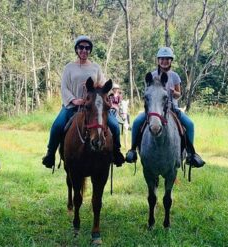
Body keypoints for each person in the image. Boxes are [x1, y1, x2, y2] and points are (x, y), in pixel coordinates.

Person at [42, 35, 124, 168]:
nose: (84, 50)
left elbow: (102, 85)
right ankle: (50, 154)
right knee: (57, 126)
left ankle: (116, 153)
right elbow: (64, 87)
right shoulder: (69, 67)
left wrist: (104, 97)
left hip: (93, 107)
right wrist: (74, 100)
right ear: (76, 49)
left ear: (90, 50)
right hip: (72, 107)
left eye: (87, 48)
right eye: (81, 47)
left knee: (114, 125)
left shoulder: (95, 67)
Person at [125, 47, 205, 167]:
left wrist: (174, 92)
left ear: (171, 61)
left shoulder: (175, 76)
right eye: (162, 59)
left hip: (172, 108)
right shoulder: (152, 75)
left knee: (190, 124)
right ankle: (132, 151)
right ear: (158, 60)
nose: (164, 61)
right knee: (136, 122)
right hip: (154, 110)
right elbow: (148, 93)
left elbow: (179, 94)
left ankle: (190, 154)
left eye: (167, 59)